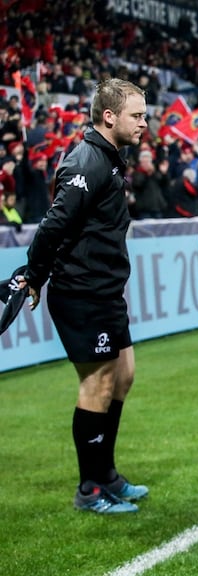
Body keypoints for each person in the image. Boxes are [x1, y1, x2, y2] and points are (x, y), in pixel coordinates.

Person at [16, 79, 150, 514]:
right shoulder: (87, 161)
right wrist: (34, 275)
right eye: (137, 115)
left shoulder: (109, 157)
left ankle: (106, 473)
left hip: (105, 290)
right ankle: (89, 487)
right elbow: (53, 226)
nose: (144, 124)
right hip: (81, 291)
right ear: (108, 116)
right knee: (97, 382)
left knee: (123, 374)